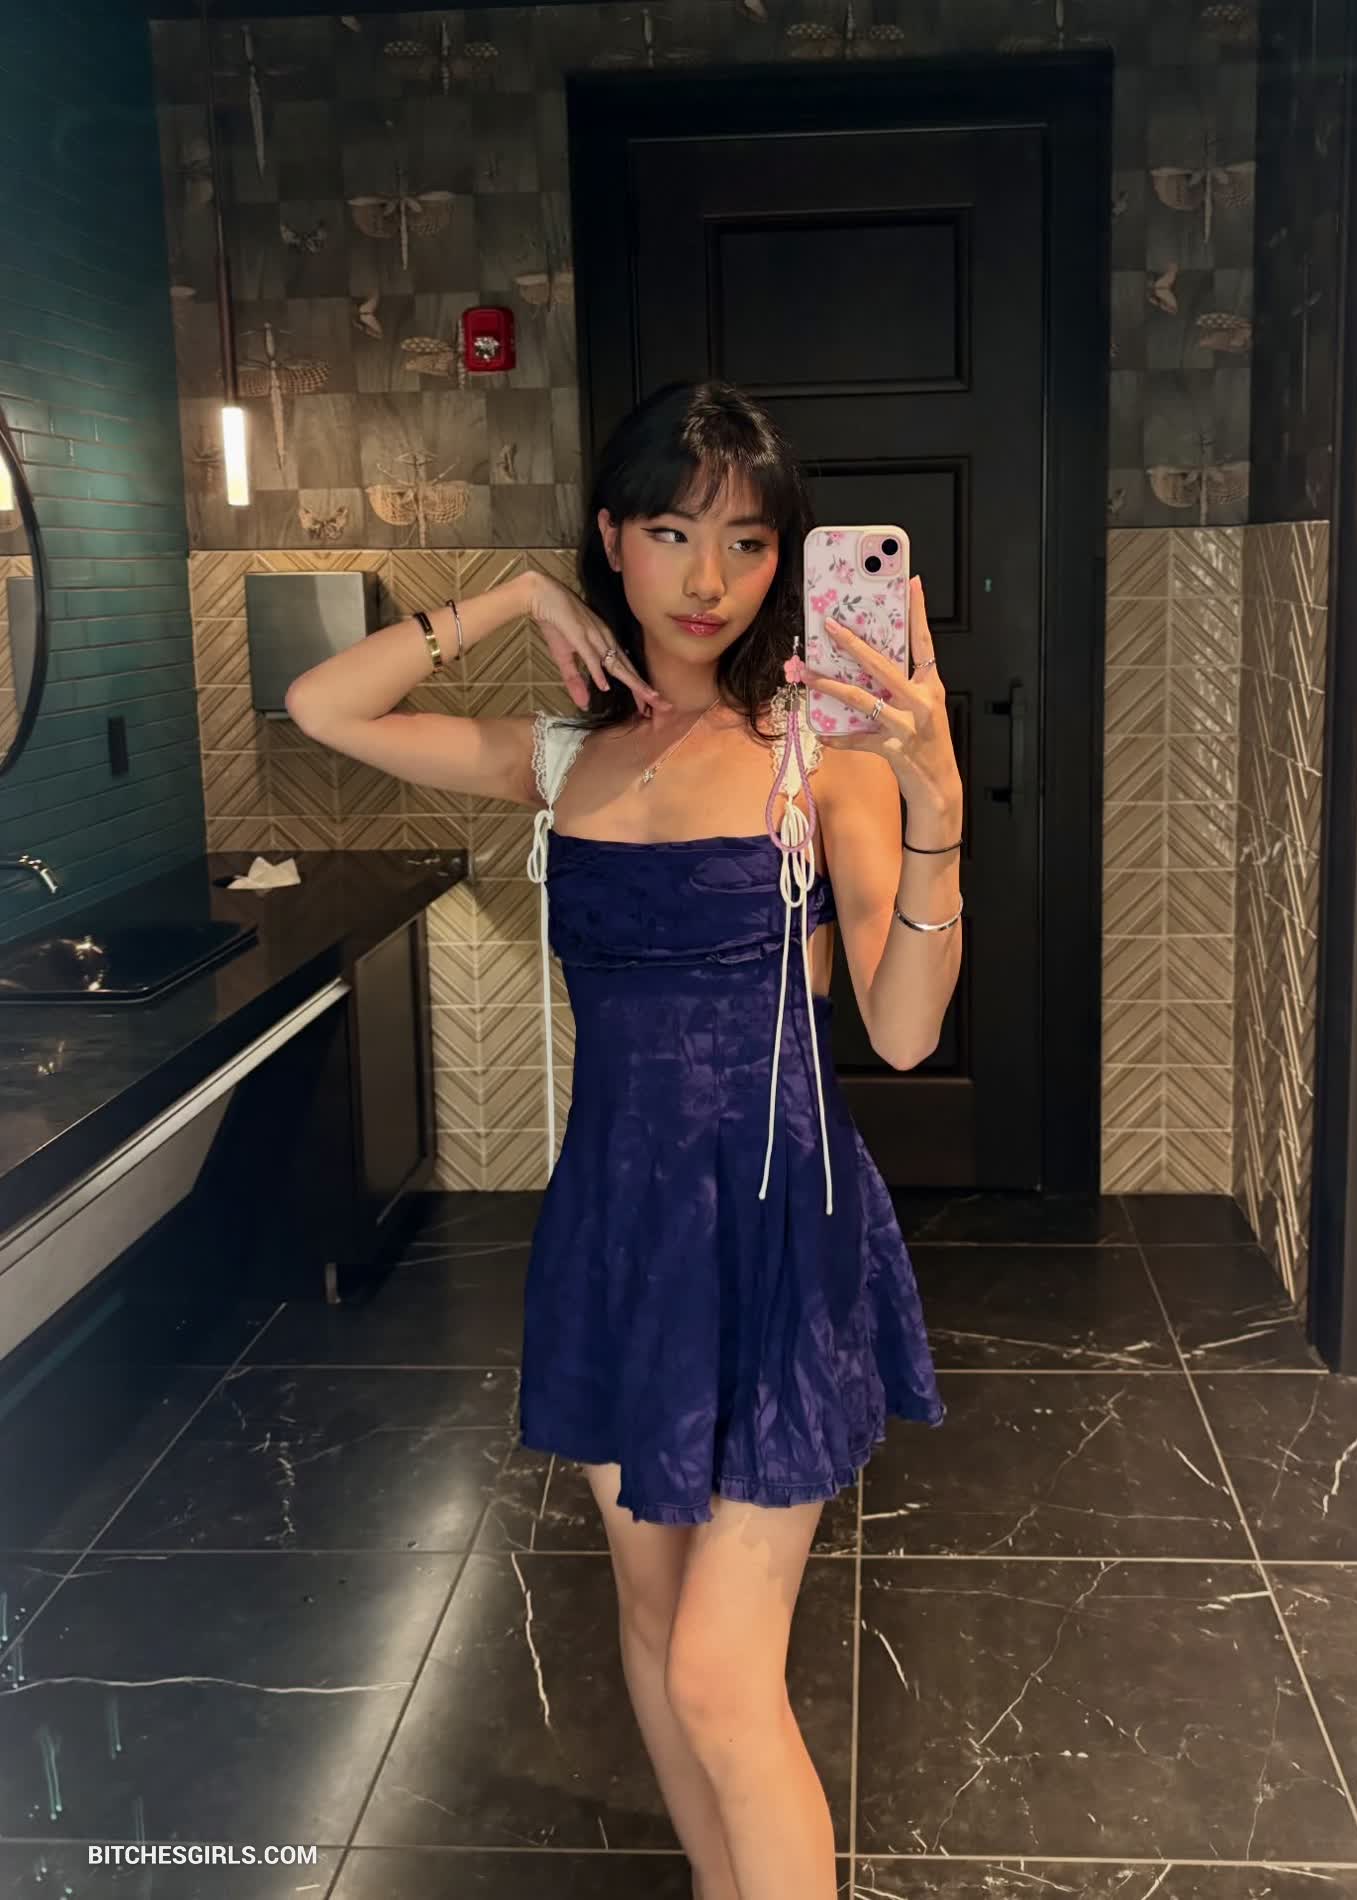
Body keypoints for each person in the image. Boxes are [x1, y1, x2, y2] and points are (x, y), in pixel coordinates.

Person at [285, 379, 964, 1900]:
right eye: (669, 532)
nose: (709, 579)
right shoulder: (557, 759)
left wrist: (936, 808)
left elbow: (909, 1027)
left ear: (786, 558)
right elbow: (322, 708)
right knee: (653, 1631)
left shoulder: (822, 756)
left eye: (747, 542)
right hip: (615, 1231)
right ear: (610, 539)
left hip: (780, 1232)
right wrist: (510, 599)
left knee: (723, 1672)